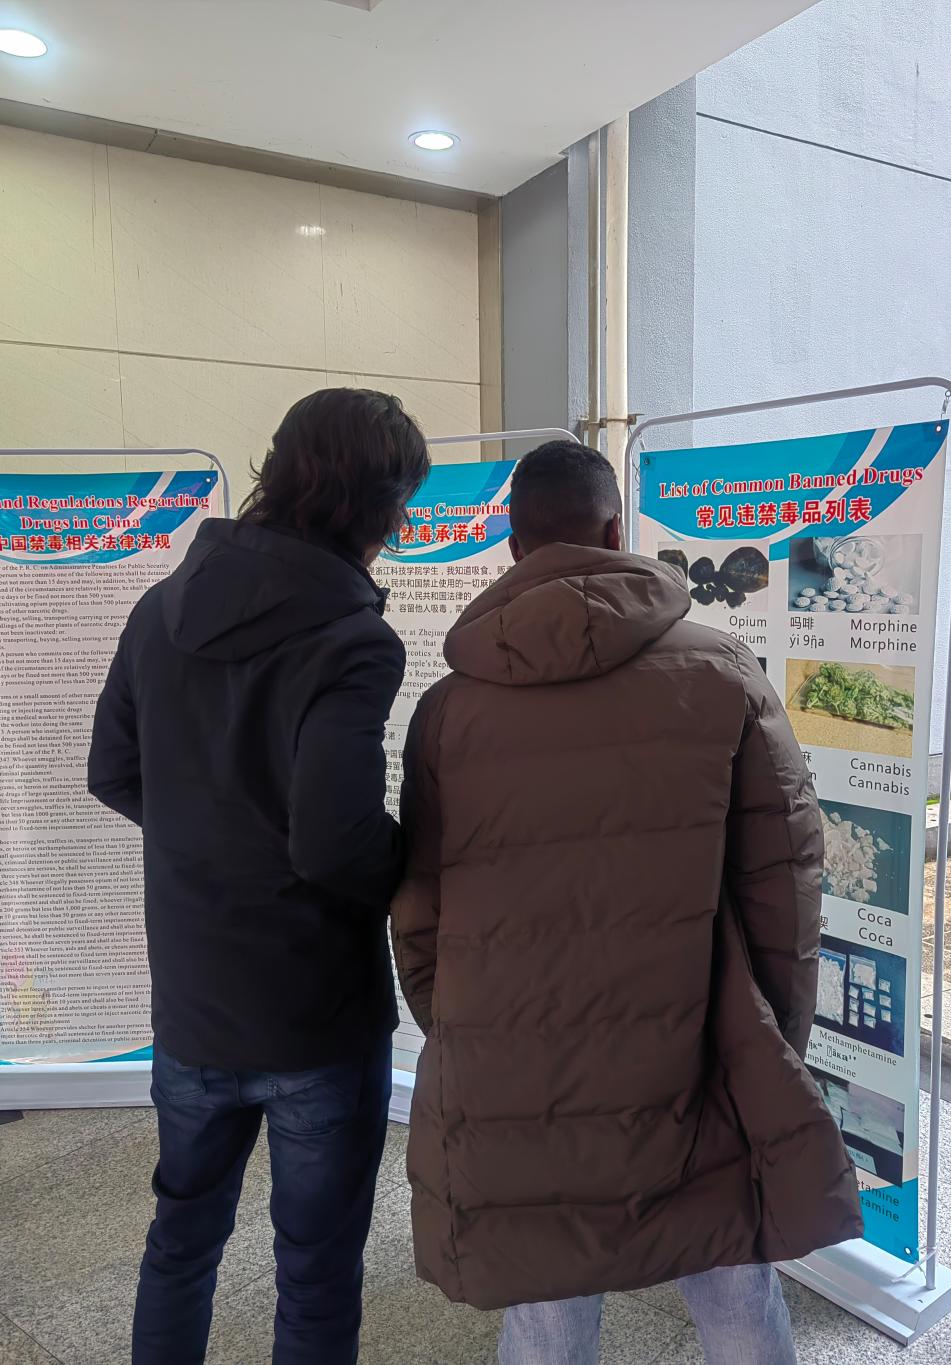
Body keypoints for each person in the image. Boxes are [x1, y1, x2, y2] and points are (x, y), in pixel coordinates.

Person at [392, 441, 863, 1365]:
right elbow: (786, 875)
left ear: (513, 547)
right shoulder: (722, 671)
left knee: (546, 1299)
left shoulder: (449, 709)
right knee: (733, 1278)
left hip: (516, 1061)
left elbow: (420, 904)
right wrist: (769, 1034)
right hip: (694, 1045)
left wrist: (460, 1027)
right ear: (616, 533)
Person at [89, 388, 430, 1365]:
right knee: (314, 1271)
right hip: (313, 1010)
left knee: (180, 1240)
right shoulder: (353, 638)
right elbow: (334, 844)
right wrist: (419, 871)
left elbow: (111, 771)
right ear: (379, 507)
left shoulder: (160, 610)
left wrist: (213, 841)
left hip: (192, 999)